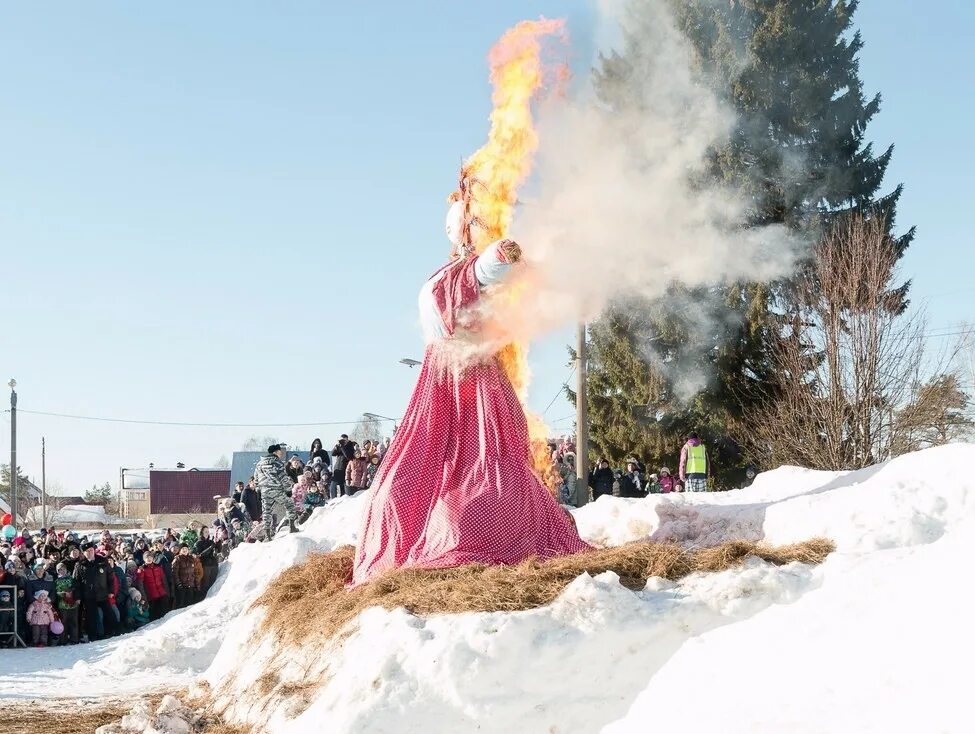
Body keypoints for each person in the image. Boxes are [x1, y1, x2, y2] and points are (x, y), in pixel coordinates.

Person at [352, 194, 589, 585]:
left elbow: (494, 271)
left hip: (455, 376)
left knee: (471, 464)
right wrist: (507, 252)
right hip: (463, 376)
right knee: (456, 465)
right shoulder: (452, 277)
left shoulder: (440, 279)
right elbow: (491, 264)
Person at [73, 543, 118, 641]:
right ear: (83, 553)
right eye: (87, 551)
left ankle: (114, 632)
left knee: (110, 614)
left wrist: (111, 591)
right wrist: (78, 597)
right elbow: (76, 582)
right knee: (91, 618)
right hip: (89, 596)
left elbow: (110, 577)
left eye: (91, 550)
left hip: (103, 594)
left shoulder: (102, 561)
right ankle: (93, 637)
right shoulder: (80, 565)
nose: (90, 552)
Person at [255, 444, 297, 538]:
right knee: (289, 504)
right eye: (279, 451)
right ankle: (292, 527)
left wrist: (258, 490)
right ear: (275, 452)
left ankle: (267, 535)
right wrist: (288, 490)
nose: (281, 453)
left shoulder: (259, 464)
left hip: (264, 491)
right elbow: (283, 477)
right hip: (277, 489)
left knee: (266, 511)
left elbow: (256, 478)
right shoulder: (277, 463)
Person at [137, 553, 170, 621]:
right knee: (155, 617)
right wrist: (144, 597)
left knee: (166, 614)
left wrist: (167, 591)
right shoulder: (142, 569)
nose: (149, 559)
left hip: (162, 593)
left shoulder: (158, 567)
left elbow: (164, 580)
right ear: (144, 559)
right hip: (151, 596)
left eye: (150, 557)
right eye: (147, 558)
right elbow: (140, 584)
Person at [53, 562, 80, 644]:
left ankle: (74, 639)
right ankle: (63, 640)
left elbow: (76, 588)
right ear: (57, 571)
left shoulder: (71, 579)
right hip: (62, 605)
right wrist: (64, 594)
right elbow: (56, 591)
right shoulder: (56, 581)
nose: (62, 571)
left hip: (73, 604)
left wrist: (75, 596)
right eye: (60, 570)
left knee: (74, 622)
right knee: (63, 622)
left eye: (63, 569)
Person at [193, 527, 220, 596]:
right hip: (205, 565)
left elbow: (218, 551)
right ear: (201, 533)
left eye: (208, 531)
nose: (207, 533)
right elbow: (200, 554)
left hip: (213, 564)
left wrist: (219, 544)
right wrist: (210, 548)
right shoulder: (198, 543)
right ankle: (204, 597)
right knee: (206, 583)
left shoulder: (211, 541)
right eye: (205, 531)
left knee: (214, 582)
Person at [171, 544, 198, 609]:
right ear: (180, 550)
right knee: (181, 605)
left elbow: (194, 572)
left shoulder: (191, 558)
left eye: (186, 549)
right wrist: (178, 583)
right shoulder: (177, 559)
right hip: (182, 586)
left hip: (190, 585)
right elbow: (174, 573)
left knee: (190, 604)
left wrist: (195, 582)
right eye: (183, 549)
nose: (185, 550)